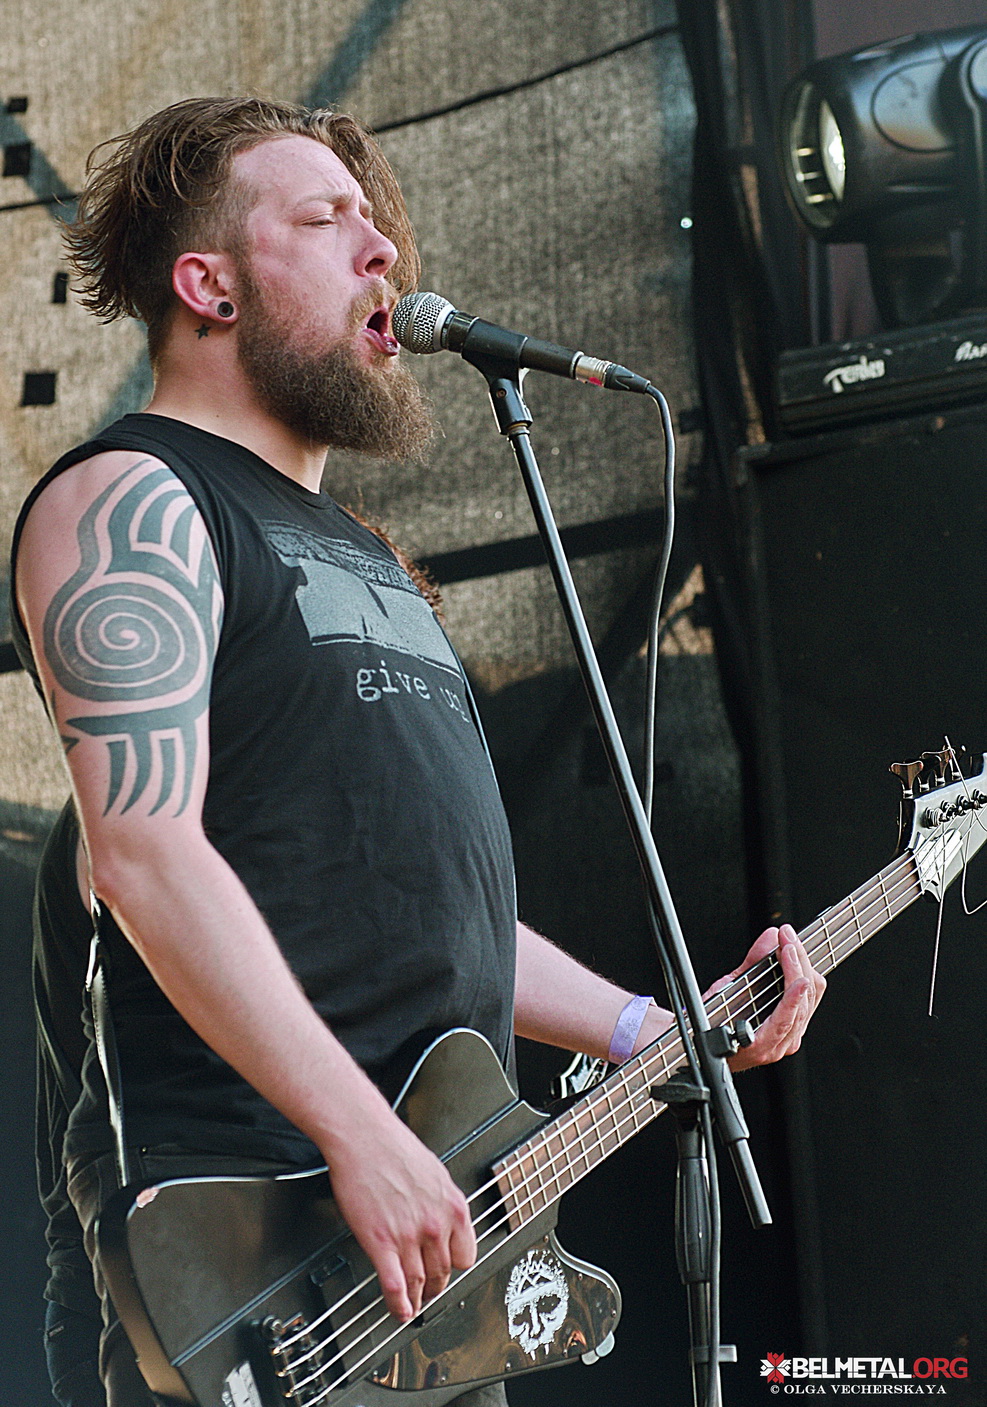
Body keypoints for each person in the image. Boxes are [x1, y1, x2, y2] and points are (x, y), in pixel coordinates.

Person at [10, 97, 824, 1407]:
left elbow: (424, 912)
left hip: (422, 1268)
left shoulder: (373, 562)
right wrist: (359, 1133)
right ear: (209, 285)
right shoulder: (135, 498)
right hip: (267, 1265)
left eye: (374, 218)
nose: (383, 245)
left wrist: (650, 1028)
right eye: (326, 217)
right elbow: (145, 853)